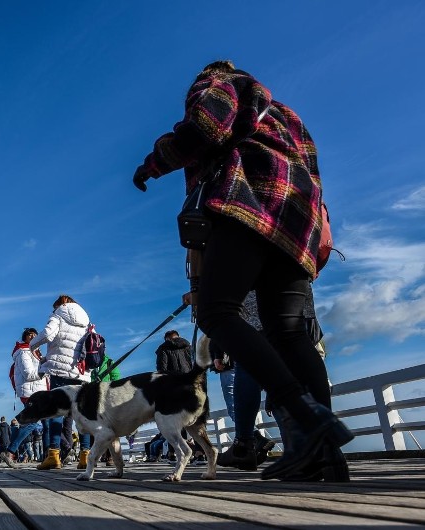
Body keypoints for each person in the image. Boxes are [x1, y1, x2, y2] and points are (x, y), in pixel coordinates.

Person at [132, 60, 353, 480]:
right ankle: (325, 454)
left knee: (217, 312)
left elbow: (206, 128)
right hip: (297, 220)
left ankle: (307, 417)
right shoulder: (287, 115)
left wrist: (153, 163)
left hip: (250, 201)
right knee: (288, 331)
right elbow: (314, 170)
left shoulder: (221, 83)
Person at [31, 294, 93, 471]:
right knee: (81, 412)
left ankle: (54, 456)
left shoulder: (58, 314)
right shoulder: (86, 319)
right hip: (82, 373)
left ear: (59, 305)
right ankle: (85, 456)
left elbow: (48, 334)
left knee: (56, 412)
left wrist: (31, 346)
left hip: (60, 369)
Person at [0, 328, 48, 468]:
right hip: (31, 393)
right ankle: (10, 451)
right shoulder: (23, 352)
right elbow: (29, 374)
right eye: (30, 335)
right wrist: (46, 370)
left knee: (45, 423)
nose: (33, 336)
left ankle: (51, 455)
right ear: (25, 337)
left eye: (35, 334)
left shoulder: (36, 352)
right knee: (32, 423)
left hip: (40, 391)